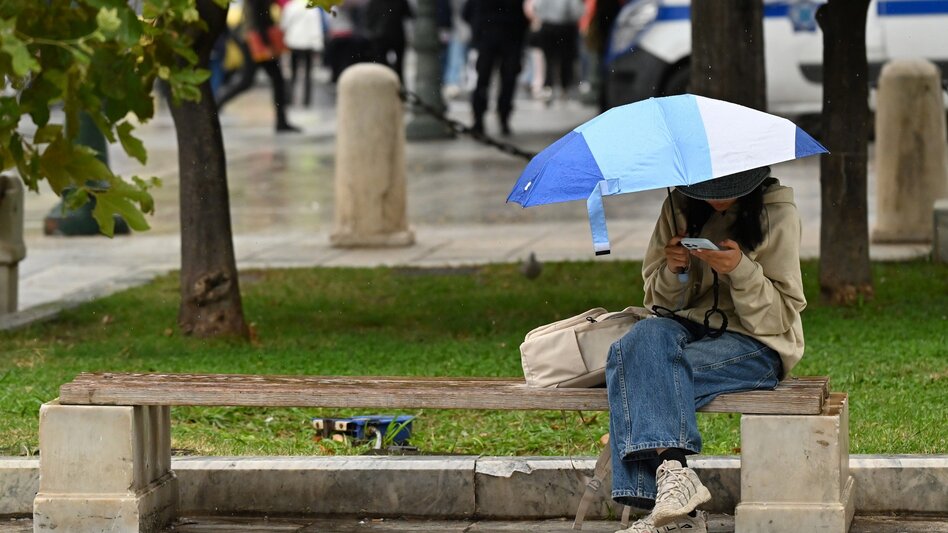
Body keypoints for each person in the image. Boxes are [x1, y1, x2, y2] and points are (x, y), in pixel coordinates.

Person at [607, 167, 806, 533]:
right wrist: (672, 268)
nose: (716, 198)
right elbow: (655, 301)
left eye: (727, 189)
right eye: (707, 188)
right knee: (638, 343)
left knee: (635, 374)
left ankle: (670, 516)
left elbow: (778, 319)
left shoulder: (777, 213)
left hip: (756, 344)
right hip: (686, 328)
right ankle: (677, 486)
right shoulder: (678, 207)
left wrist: (742, 271)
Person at [216, 0, 300, 133]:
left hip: (256, 38)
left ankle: (281, 121)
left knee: (267, 80)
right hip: (256, 40)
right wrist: (267, 41)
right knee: (250, 80)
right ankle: (217, 104)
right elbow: (258, 16)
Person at [462, 0, 529, 136]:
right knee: (504, 81)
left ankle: (482, 118)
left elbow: (467, 13)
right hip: (508, 38)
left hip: (490, 37)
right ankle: (500, 117)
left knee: (485, 79)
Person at [531, 0, 584, 100]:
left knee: (549, 58)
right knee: (566, 59)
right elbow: (576, 10)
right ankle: (564, 87)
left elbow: (537, 6)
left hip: (548, 26)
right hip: (566, 27)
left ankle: (549, 85)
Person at [280, 0, 326, 107]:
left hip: (294, 42)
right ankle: (307, 101)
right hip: (308, 44)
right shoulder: (313, 7)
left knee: (294, 72)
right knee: (308, 74)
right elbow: (316, 26)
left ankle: (291, 98)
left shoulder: (291, 6)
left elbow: (284, 24)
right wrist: (318, 44)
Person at [365, 0, 414, 82]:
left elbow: (369, 18)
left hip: (380, 36)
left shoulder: (374, 2)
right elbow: (409, 14)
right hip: (396, 35)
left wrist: (373, 30)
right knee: (399, 67)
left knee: (381, 65)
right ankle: (398, 85)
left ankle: (384, 83)